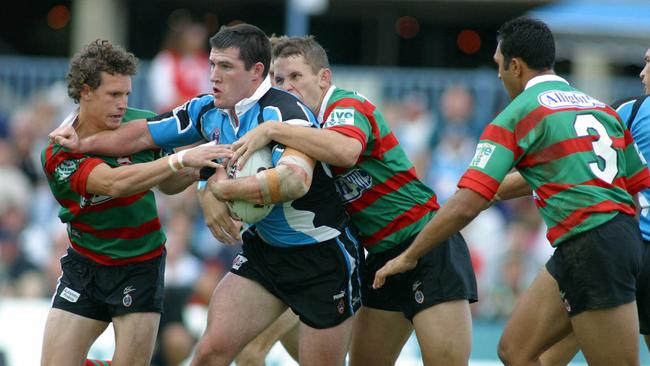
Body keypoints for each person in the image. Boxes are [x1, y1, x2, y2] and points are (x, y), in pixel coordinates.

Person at [49, 24, 361, 366]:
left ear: (256, 72)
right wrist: (84, 143)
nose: (213, 75)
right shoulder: (207, 109)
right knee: (209, 354)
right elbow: (142, 136)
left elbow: (294, 181)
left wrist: (221, 189)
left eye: (225, 67)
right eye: (212, 64)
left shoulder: (284, 112)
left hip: (321, 257)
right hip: (265, 255)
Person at [372, 16, 650, 365]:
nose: (498, 75)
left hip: (592, 243)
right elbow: (636, 181)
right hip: (603, 241)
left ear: (515, 66)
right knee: (515, 352)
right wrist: (498, 190)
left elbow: (466, 204)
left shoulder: (517, 114)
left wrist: (410, 254)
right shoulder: (599, 107)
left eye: (498, 66)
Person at [230, 35, 477, 366]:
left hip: (427, 243)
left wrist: (273, 128)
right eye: (279, 79)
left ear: (324, 78)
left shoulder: (345, 105)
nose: (286, 87)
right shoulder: (303, 131)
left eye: (295, 77)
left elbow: (345, 151)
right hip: (379, 259)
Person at [40, 39, 229, 366]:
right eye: (113, 95)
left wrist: (201, 167)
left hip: (140, 264)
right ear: (86, 92)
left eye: (127, 94)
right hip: (85, 266)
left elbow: (168, 184)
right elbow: (114, 184)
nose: (123, 104)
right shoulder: (59, 152)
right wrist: (181, 159)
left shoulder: (141, 125)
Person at [538, 45, 650, 365]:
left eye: (648, 63)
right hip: (624, 248)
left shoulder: (631, 110)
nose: (642, 73)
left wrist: (494, 189)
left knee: (529, 353)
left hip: (617, 250)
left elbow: (578, 157)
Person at [148, 17, 211, 113]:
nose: (198, 41)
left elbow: (210, 94)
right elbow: (164, 98)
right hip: (171, 118)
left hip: (200, 118)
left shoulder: (206, 62)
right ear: (181, 37)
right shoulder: (165, 60)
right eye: (193, 35)